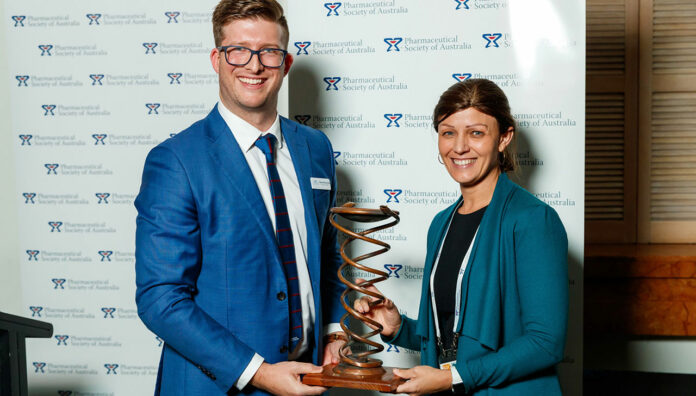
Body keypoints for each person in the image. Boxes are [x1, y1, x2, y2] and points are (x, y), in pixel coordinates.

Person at [134, 1, 346, 395]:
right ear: (217, 59)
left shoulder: (315, 148)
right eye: (238, 51)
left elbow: (328, 251)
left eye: (269, 51)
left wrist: (334, 332)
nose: (254, 65)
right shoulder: (176, 161)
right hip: (215, 386)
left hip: (309, 380)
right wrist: (260, 372)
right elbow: (160, 299)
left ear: (285, 63)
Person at [355, 79, 568, 395]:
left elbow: (545, 343)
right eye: (448, 132)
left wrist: (452, 377)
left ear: (504, 137)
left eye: (476, 133)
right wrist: (399, 328)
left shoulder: (533, 219)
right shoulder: (441, 223)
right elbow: (454, 340)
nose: (459, 147)